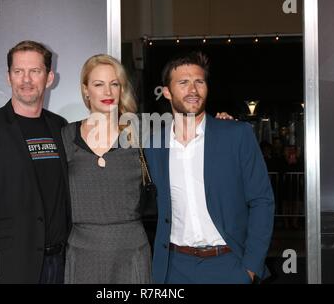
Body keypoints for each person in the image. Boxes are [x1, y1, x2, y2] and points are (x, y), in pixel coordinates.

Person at [144, 51, 275, 284]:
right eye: (183, 83)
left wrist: (250, 267)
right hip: (174, 268)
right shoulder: (153, 146)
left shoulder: (236, 135)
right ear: (166, 91)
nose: (193, 90)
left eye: (199, 82)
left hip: (229, 265)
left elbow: (262, 200)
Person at [0, 40, 71, 284]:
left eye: (35, 71)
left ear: (49, 78)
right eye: (18, 71)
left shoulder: (60, 127)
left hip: (60, 267)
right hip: (9, 268)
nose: (26, 79)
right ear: (8, 77)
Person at [60, 54, 152, 283]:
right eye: (98, 84)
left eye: (114, 84)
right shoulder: (66, 136)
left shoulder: (141, 133)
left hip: (131, 252)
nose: (108, 92)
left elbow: (186, 142)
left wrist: (221, 123)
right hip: (82, 254)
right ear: (85, 90)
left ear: (122, 89)